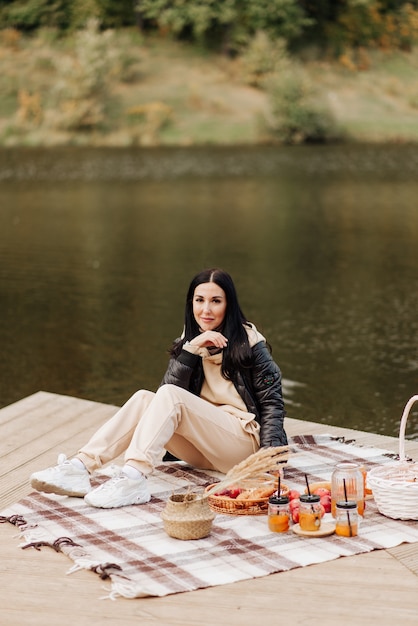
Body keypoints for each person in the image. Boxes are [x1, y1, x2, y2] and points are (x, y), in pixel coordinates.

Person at [30, 268, 287, 509]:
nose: (206, 309)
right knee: (144, 398)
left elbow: (272, 403)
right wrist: (189, 351)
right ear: (191, 303)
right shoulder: (190, 341)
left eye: (216, 301)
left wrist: (271, 457)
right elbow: (166, 398)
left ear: (228, 305)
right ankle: (80, 467)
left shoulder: (251, 344)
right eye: (199, 300)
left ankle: (133, 477)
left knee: (168, 397)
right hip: (204, 449)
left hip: (242, 446)